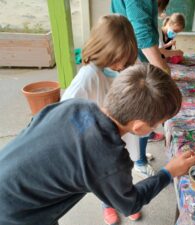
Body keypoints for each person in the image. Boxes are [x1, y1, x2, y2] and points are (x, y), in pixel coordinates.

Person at [0, 64, 195, 225]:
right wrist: (168, 172)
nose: (158, 127)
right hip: (16, 215)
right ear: (139, 128)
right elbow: (131, 204)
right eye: (159, 123)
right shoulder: (110, 159)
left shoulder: (75, 105)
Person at [60, 15, 142, 224]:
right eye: (117, 59)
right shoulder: (88, 77)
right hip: (100, 141)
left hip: (124, 136)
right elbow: (63, 113)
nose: (121, 64)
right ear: (101, 49)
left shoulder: (129, 65)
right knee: (106, 177)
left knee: (126, 169)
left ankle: (126, 200)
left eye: (126, 58)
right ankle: (107, 203)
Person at [111, 0, 169, 180]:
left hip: (132, 61)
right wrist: (162, 69)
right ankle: (139, 161)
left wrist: (163, 56)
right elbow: (142, 32)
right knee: (143, 113)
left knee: (142, 118)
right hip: (134, 64)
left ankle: (138, 155)